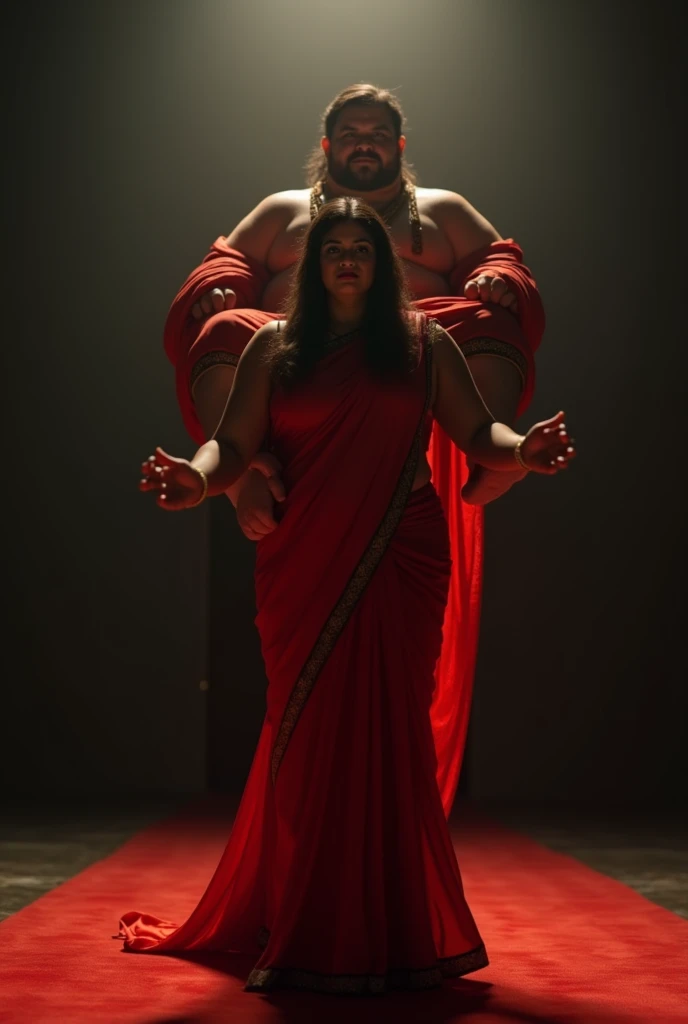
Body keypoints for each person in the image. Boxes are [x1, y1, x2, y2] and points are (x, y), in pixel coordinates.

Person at [122, 199, 574, 994]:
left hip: (401, 550)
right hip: (304, 558)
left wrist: (524, 451)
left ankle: (396, 932)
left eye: (361, 249)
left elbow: (478, 433)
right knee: (308, 733)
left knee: (391, 733)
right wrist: (196, 481)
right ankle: (302, 926)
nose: (346, 260)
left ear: (383, 262)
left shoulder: (423, 344)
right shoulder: (273, 346)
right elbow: (232, 444)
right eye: (332, 248)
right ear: (312, 261)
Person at [163, 84, 547, 813]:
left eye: (377, 132)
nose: (363, 142)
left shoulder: (446, 211)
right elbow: (220, 267)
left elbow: (504, 263)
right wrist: (220, 291)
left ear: (399, 146)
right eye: (350, 131)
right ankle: (240, 472)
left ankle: (493, 458)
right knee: (220, 337)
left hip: (407, 364)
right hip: (296, 366)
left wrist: (496, 277)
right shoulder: (281, 213)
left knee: (490, 327)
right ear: (328, 142)